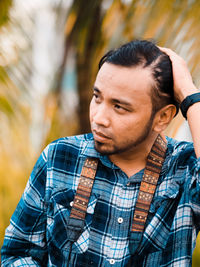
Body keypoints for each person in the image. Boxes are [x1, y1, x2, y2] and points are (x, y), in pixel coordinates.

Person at [1, 40, 200, 267]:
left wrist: (188, 93)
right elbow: (16, 254)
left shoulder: (185, 169)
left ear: (163, 117)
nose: (98, 118)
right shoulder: (60, 157)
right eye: (97, 97)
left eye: (119, 107)